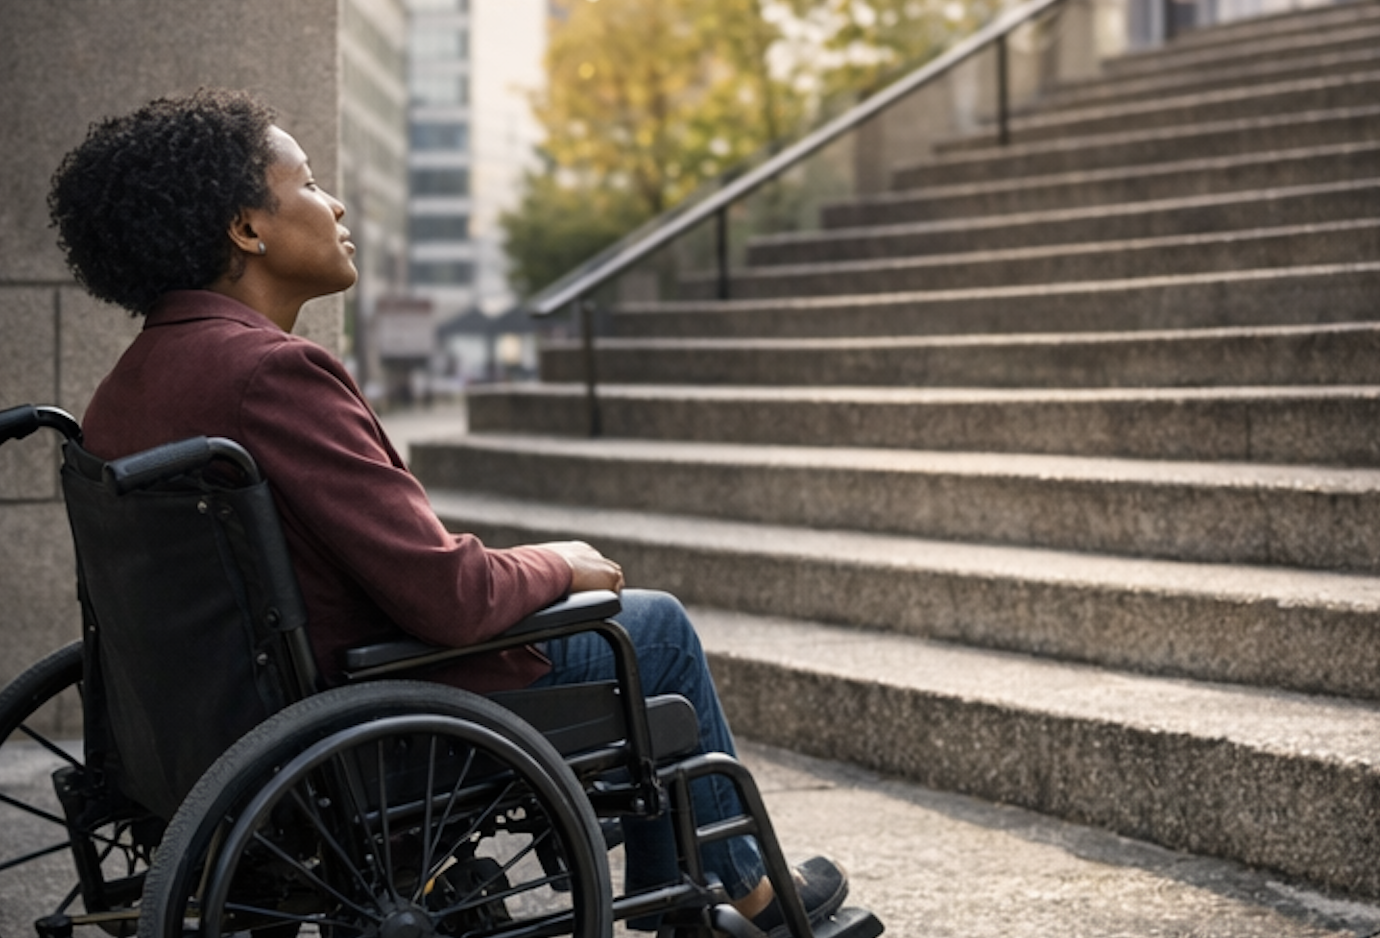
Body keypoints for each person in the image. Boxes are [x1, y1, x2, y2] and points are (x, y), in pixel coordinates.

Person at [48, 89, 847, 935]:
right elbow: (448, 598)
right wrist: (557, 563)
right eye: (309, 183)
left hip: (209, 724)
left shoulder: (125, 387)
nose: (336, 204)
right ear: (248, 228)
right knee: (654, 630)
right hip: (368, 714)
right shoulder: (271, 374)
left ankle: (692, 883)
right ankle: (746, 893)